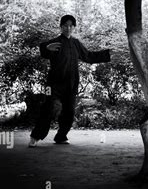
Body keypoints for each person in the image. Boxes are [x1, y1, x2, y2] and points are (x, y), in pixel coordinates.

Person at [28, 15, 111, 147]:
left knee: (69, 111)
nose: (68, 28)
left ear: (74, 27)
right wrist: (47, 48)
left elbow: (89, 56)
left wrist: (109, 54)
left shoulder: (76, 43)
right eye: (65, 25)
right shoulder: (55, 42)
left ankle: (61, 136)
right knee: (48, 108)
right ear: (61, 27)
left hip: (71, 84)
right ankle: (35, 136)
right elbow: (43, 48)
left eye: (71, 25)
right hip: (53, 84)